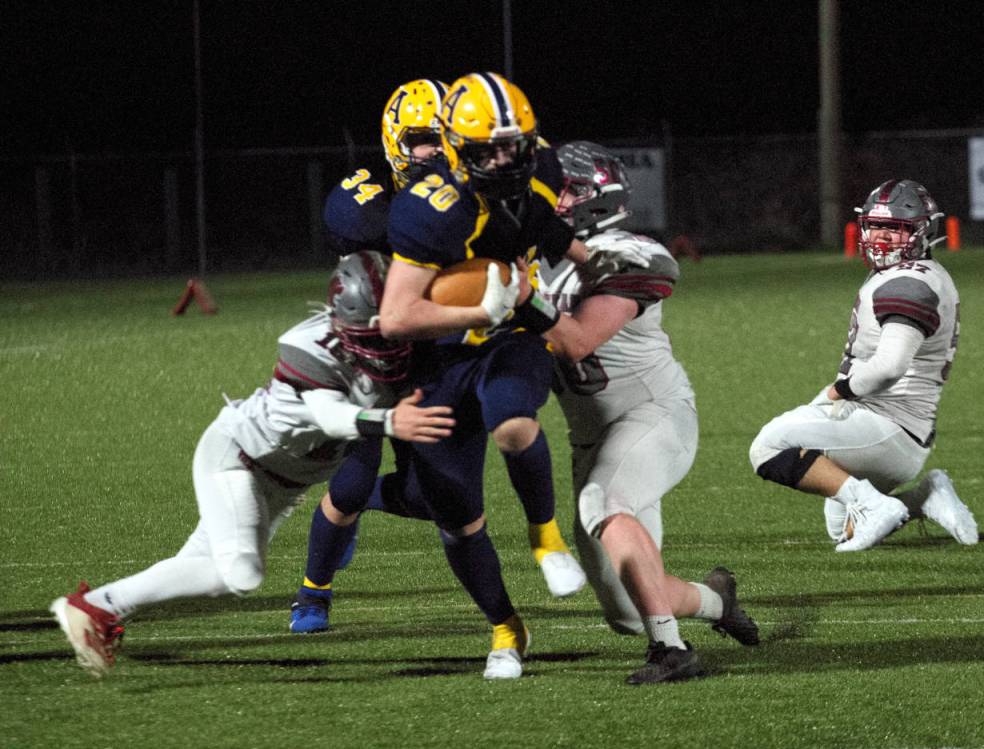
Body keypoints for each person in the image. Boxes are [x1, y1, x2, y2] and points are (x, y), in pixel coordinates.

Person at [49, 252, 456, 677]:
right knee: (241, 574)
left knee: (203, 575)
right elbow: (328, 414)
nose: (384, 343)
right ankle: (92, 607)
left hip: (282, 482)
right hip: (237, 459)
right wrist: (391, 420)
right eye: (372, 332)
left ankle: (97, 611)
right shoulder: (311, 349)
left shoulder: (405, 337)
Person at [289, 78, 586, 636]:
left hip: (444, 351)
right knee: (350, 482)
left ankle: (393, 506)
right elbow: (382, 300)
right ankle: (314, 590)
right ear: (396, 142)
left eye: (436, 139)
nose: (429, 152)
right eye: (420, 139)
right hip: (375, 353)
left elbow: (529, 222)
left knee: (432, 499)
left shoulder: (476, 186)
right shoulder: (372, 206)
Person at [366, 71, 591, 679]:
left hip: (511, 335)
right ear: (454, 147)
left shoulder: (540, 167)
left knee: (515, 424)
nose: (501, 158)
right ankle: (505, 628)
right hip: (439, 356)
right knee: (457, 518)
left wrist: (600, 261)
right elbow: (395, 316)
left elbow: (547, 228)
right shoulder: (430, 209)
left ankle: (546, 537)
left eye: (510, 144)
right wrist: (477, 308)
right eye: (485, 149)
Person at [523, 141, 759, 685]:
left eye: (561, 190)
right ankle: (717, 600)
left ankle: (673, 652)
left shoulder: (628, 251)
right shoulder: (535, 258)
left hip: (652, 414)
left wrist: (513, 299)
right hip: (589, 438)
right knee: (627, 613)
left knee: (603, 502)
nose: (547, 201)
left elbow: (577, 340)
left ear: (594, 196)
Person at [749, 179, 978, 552]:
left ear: (924, 232)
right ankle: (925, 496)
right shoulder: (917, 274)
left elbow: (890, 366)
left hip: (885, 426)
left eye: (897, 229)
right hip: (897, 429)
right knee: (844, 530)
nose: (883, 237)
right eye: (877, 226)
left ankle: (874, 503)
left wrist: (837, 391)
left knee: (768, 447)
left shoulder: (907, 283)